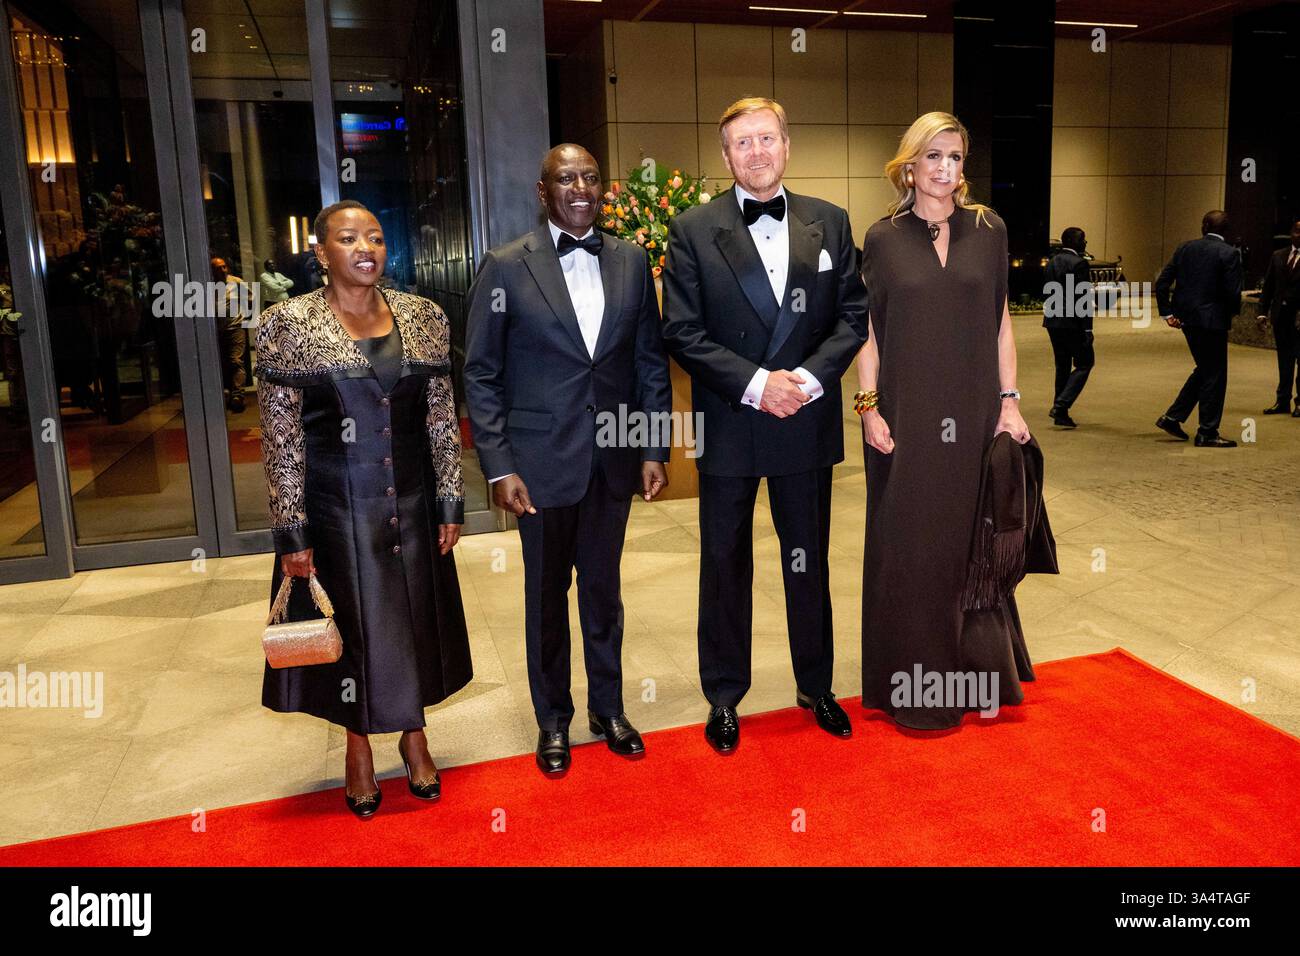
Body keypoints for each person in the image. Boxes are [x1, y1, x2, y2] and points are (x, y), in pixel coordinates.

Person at [661, 97, 868, 753]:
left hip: (804, 421)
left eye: (767, 138)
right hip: (732, 420)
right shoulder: (693, 229)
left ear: (787, 145)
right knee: (724, 565)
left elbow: (853, 317)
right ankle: (725, 696)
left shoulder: (829, 222)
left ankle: (817, 685)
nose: (756, 151)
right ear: (726, 156)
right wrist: (758, 385)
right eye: (742, 143)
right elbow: (682, 332)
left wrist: (805, 382)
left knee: (808, 562)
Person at [255, 199, 472, 817]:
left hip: (411, 501)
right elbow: (282, 438)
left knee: (412, 622)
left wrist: (449, 499)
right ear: (321, 254)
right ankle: (357, 747)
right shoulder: (287, 325)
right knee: (352, 633)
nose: (365, 248)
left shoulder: (424, 317)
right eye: (348, 239)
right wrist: (291, 531)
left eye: (375, 237)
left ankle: (414, 735)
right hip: (334, 508)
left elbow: (438, 418)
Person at [464, 144, 672, 775]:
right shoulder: (504, 267)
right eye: (565, 178)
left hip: (611, 457)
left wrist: (653, 446)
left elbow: (648, 364)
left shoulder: (634, 262)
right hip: (538, 466)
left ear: (601, 188)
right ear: (543, 190)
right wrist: (499, 465)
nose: (579, 187)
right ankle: (552, 720)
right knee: (547, 598)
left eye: (589, 177)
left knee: (604, 595)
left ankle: (608, 710)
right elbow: (481, 372)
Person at [856, 111, 1035, 730]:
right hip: (905, 416)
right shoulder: (881, 237)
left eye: (955, 158)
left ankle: (978, 679)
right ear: (909, 165)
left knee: (971, 546)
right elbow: (868, 330)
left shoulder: (989, 229)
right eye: (933, 157)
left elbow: (1002, 322)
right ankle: (914, 689)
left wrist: (1009, 401)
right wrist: (867, 405)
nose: (945, 170)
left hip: (975, 407)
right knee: (912, 546)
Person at [1154, 210, 1244, 448]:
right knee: (1215, 375)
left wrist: (1168, 313)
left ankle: (1172, 417)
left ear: (1204, 226)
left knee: (1205, 369)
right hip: (1213, 321)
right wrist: (1230, 315)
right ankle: (1207, 432)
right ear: (1226, 230)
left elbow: (1162, 282)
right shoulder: (1230, 253)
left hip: (1187, 320)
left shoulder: (1185, 248)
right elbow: (1233, 293)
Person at [1042, 226, 1094, 428]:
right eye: (1083, 239)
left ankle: (1060, 412)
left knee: (1062, 365)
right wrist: (1087, 329)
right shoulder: (1079, 264)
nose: (1085, 243)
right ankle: (1061, 405)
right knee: (1085, 362)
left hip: (1053, 320)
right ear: (1074, 242)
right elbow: (1083, 297)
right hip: (1072, 322)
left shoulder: (1052, 261)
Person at [1257, 218, 1300, 417]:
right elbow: (1269, 287)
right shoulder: (1278, 256)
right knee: (1284, 360)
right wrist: (1262, 312)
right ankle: (1282, 401)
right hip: (1281, 317)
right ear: (1291, 233)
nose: (1299, 235)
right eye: (1297, 231)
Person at [211, 256, 250, 413]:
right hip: (217, 330)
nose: (222, 270)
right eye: (218, 268)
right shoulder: (208, 286)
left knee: (235, 360)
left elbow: (250, 300)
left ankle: (238, 395)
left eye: (224, 267)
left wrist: (244, 318)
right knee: (222, 362)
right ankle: (226, 391)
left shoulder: (236, 282)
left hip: (235, 327)